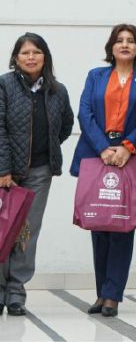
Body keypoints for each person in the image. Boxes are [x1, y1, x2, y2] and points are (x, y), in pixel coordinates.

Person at [70, 23, 136, 317]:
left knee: (121, 224)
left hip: (130, 156)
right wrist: (103, 147)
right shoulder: (96, 75)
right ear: (112, 47)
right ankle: (101, 292)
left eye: (131, 40)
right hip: (97, 154)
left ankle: (113, 295)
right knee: (99, 222)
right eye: (119, 40)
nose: (125, 45)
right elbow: (85, 113)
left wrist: (128, 147)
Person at [0, 33, 74, 316]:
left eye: (37, 52)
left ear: (45, 57)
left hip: (40, 172)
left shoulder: (58, 90)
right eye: (25, 53)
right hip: (6, 173)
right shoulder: (4, 84)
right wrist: (4, 169)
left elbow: (65, 125)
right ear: (16, 58)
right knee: (3, 229)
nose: (31, 57)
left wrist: (48, 148)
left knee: (26, 232)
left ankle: (15, 293)